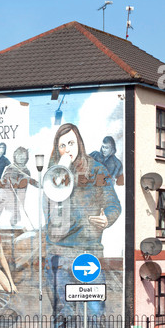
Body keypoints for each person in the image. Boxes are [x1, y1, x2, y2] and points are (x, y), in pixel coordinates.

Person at [45, 123, 122, 317]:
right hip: (57, 252)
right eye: (62, 145)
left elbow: (113, 203)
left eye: (71, 143)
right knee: (63, 310)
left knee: (95, 309)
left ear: (79, 142)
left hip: (89, 252)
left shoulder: (97, 170)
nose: (67, 149)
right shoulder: (52, 172)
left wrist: (107, 219)